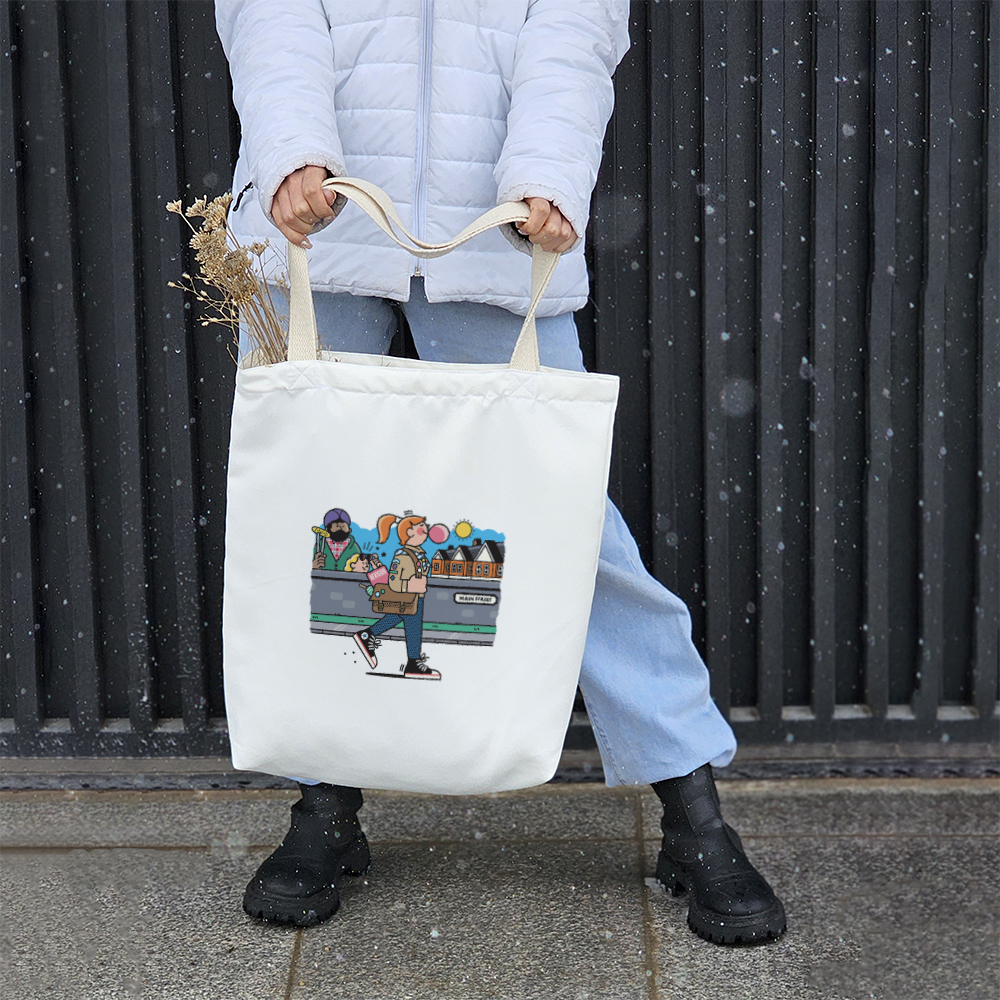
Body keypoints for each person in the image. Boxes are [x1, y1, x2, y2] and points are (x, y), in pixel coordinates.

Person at [218, 0, 786, 945]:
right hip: (316, 229)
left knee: (569, 530)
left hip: (495, 233)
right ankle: (323, 803)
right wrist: (291, 153)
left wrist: (548, 174)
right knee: (315, 533)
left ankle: (693, 811)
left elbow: (573, 27)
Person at [353, 512, 441, 681]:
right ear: (409, 532)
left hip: (415, 597)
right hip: (408, 596)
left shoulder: (419, 553)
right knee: (413, 627)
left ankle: (367, 635)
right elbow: (393, 582)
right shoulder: (403, 556)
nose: (426, 529)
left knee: (399, 618)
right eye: (421, 526)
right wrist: (409, 586)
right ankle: (413, 663)